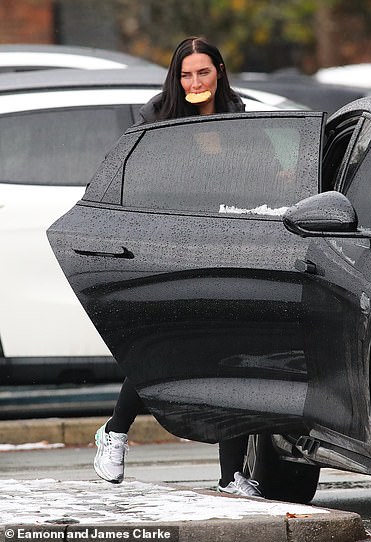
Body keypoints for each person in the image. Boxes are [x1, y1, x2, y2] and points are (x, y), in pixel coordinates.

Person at [93, 37, 260, 498]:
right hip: (170, 248)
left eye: (202, 73)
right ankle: (115, 432)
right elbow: (137, 183)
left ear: (219, 72)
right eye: (186, 75)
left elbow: (260, 174)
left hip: (228, 249)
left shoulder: (239, 117)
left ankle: (231, 476)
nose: (194, 83)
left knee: (232, 356)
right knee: (166, 348)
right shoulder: (157, 120)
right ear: (176, 78)